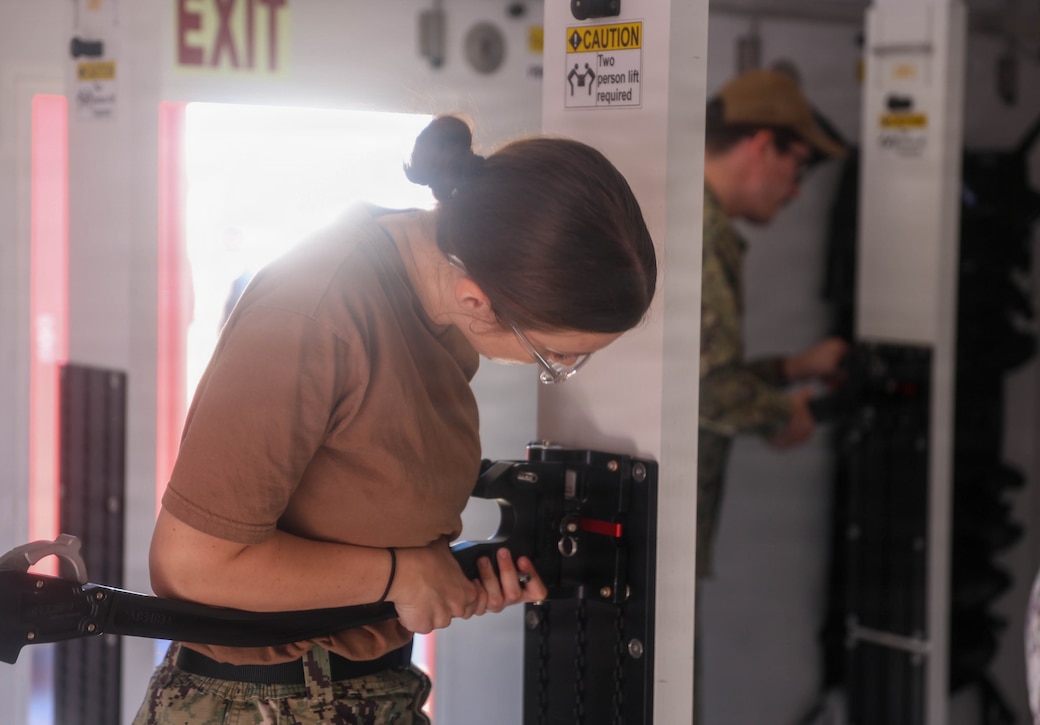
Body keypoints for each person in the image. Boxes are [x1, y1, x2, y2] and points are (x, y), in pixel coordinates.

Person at [133, 115, 657, 725]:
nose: (562, 368)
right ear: (476, 301)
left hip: (369, 691)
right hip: (260, 705)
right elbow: (190, 566)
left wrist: (440, 575)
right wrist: (399, 574)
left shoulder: (437, 312)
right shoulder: (311, 314)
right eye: (554, 356)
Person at [695, 69, 849, 720]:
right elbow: (705, 389)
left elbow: (700, 369)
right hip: (660, 529)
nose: (796, 191)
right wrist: (782, 412)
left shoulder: (693, 219)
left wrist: (791, 368)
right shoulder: (701, 236)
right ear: (761, 145)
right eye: (800, 166)